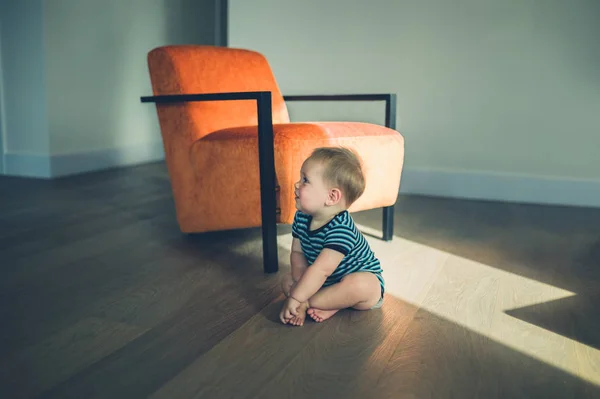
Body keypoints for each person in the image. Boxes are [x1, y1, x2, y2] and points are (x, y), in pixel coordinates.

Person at [279, 147, 385, 326]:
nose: (297, 184)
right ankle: (330, 302)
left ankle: (314, 303)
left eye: (305, 180)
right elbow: (297, 253)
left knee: (361, 285)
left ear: (331, 196)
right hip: (322, 280)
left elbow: (322, 270)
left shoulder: (341, 229)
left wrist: (299, 298)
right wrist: (299, 282)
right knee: (286, 281)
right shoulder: (302, 216)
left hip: (353, 278)